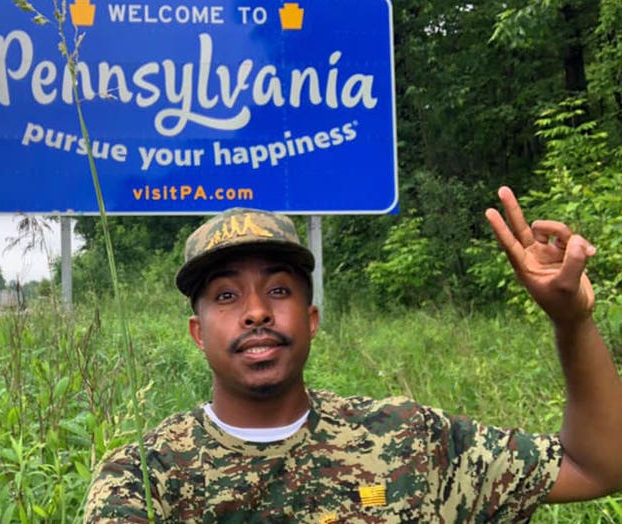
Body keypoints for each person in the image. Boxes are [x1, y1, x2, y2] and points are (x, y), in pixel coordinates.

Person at [83, 187, 622, 523]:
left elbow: (595, 468)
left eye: (278, 291)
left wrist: (571, 322)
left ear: (311, 320)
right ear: (198, 334)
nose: (255, 313)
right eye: (227, 296)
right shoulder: (145, 478)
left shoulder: (408, 437)